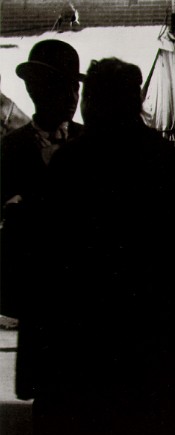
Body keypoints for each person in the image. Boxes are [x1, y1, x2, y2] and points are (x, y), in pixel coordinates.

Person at [26, 58, 175, 435]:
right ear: (135, 102)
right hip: (155, 349)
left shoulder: (71, 163)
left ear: (91, 101)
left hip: (80, 349)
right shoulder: (164, 159)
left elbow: (42, 258)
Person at [0, 39, 84, 397]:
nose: (72, 95)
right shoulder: (11, 149)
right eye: (62, 85)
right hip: (42, 303)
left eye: (75, 86)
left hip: (87, 304)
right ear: (36, 89)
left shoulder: (90, 141)